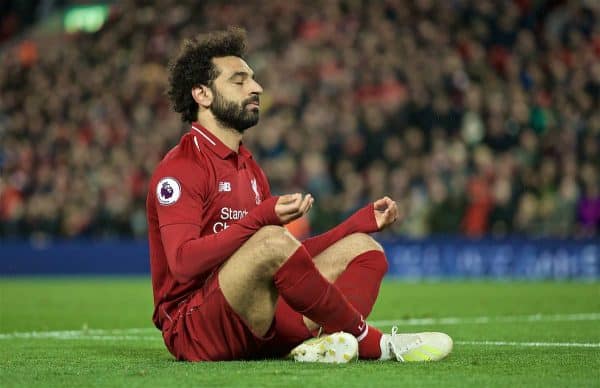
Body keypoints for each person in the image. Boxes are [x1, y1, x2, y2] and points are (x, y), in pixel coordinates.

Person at [146, 27, 452, 363]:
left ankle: (319, 347)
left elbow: (288, 259)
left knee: (364, 249)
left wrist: (355, 224)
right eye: (239, 80)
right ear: (202, 94)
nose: (256, 88)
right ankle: (368, 342)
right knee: (270, 239)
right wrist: (261, 219)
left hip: (255, 320)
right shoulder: (182, 167)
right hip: (195, 330)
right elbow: (183, 263)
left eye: (253, 79)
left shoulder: (248, 168)